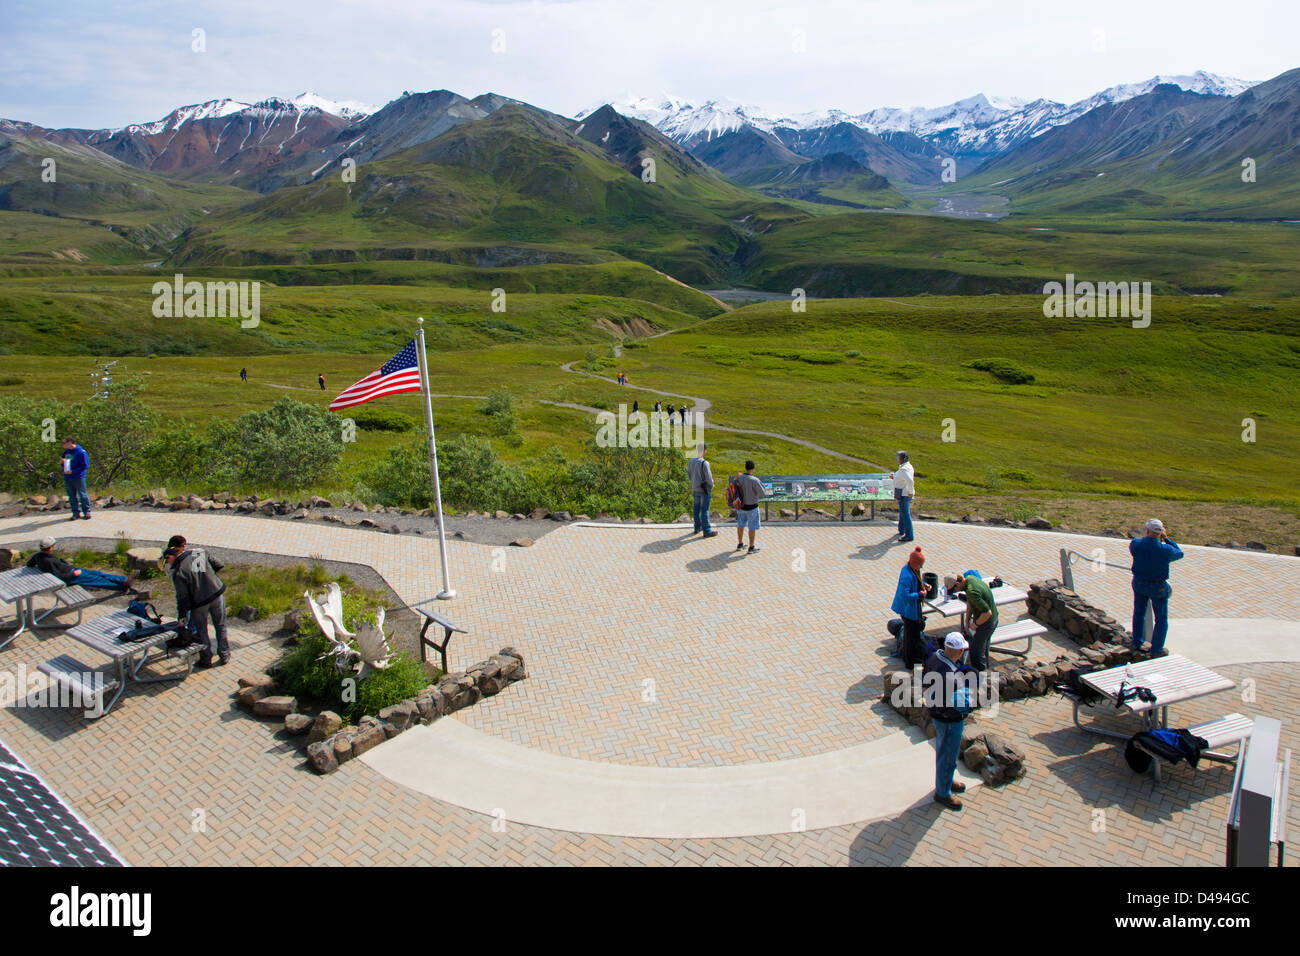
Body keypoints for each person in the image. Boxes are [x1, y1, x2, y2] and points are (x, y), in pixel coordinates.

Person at [165, 535, 229, 668]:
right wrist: (208, 575)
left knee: (202, 631)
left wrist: (182, 616)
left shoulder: (178, 572)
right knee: (221, 626)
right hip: (216, 594)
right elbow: (219, 564)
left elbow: (182, 597)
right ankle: (225, 654)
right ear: (183, 547)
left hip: (199, 602)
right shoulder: (198, 553)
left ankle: (206, 659)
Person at [924, 632, 971, 811]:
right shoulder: (951, 675)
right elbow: (961, 703)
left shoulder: (935, 657)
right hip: (949, 719)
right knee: (948, 754)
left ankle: (947, 780)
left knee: (945, 751)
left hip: (937, 714)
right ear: (959, 652)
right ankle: (943, 793)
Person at [1129, 518, 1183, 656]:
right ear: (1160, 533)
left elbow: (1136, 547)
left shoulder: (1136, 544)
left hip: (1140, 583)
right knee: (1160, 618)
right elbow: (1179, 553)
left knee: (1139, 612)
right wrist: (1167, 539)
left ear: (1147, 530)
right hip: (1158, 587)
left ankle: (1137, 641)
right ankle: (1156, 648)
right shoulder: (1166, 550)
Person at [26, 537, 138, 591]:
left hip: (72, 570)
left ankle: (123, 580)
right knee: (97, 580)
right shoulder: (48, 561)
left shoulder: (38, 556)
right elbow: (59, 577)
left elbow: (29, 564)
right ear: (50, 548)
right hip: (72, 575)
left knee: (98, 573)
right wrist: (74, 574)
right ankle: (121, 585)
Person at [891, 545, 933, 668]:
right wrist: (920, 594)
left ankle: (911, 658)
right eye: (920, 565)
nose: (921, 567)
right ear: (915, 563)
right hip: (908, 610)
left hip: (912, 608)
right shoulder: (907, 575)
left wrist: (924, 585)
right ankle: (910, 661)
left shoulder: (912, 570)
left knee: (913, 634)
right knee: (911, 637)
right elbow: (905, 595)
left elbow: (917, 582)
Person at [949, 571, 998, 672]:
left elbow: (987, 613)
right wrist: (966, 623)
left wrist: (975, 625)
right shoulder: (970, 579)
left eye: (954, 590)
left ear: (957, 584)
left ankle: (980, 676)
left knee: (976, 653)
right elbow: (970, 603)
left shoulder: (972, 592)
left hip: (987, 623)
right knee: (983, 649)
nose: (955, 592)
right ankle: (985, 670)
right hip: (991, 619)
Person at [734, 460, 767, 553]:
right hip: (752, 507)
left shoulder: (739, 478)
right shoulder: (754, 480)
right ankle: (751, 547)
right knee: (752, 527)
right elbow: (762, 494)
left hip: (741, 506)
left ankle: (740, 544)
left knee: (740, 524)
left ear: (745, 468)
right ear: (753, 469)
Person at [687, 443, 717, 538]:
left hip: (695, 488)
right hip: (704, 490)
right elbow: (709, 478)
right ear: (704, 451)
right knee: (704, 510)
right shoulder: (704, 463)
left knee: (696, 508)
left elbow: (689, 475)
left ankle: (697, 527)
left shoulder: (691, 461)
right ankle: (707, 530)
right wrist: (711, 486)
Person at [60, 436, 92, 521]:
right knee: (71, 496)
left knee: (82, 495)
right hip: (68, 477)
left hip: (78, 477)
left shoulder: (81, 452)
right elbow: (64, 463)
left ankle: (87, 512)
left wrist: (73, 471)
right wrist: (62, 463)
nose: (63, 445)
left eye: (65, 443)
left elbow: (85, 466)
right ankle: (75, 513)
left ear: (70, 442)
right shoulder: (66, 452)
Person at [889, 450, 915, 542]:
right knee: (903, 513)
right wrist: (894, 476)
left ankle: (909, 535)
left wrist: (910, 492)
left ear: (902, 459)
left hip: (904, 494)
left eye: (898, 457)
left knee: (905, 514)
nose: (896, 459)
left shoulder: (904, 469)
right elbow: (901, 477)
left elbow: (910, 481)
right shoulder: (906, 466)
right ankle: (902, 530)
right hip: (904, 493)